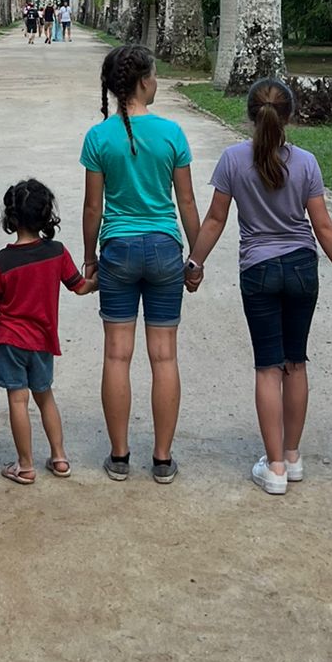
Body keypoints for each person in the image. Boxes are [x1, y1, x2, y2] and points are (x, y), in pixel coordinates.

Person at [188, 81, 332, 496]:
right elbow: (322, 225)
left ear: (251, 115)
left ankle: (273, 468)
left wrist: (195, 264)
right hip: (302, 268)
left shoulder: (234, 160)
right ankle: (292, 454)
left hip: (259, 270)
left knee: (268, 366)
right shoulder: (305, 163)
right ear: (290, 116)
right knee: (296, 363)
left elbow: (215, 219)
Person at [81, 43, 200, 483]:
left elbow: (93, 209)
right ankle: (163, 458)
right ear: (144, 81)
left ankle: (119, 455)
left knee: (117, 354)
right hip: (166, 249)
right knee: (164, 356)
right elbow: (185, 201)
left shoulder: (99, 137)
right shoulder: (171, 133)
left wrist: (90, 258)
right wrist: (196, 257)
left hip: (119, 250)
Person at [0, 178, 90, 484]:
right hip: (43, 341)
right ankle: (59, 457)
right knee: (45, 397)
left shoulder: (2, 261)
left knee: (18, 400)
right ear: (46, 216)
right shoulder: (56, 252)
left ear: (10, 218)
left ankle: (25, 465)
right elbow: (79, 287)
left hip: (11, 341)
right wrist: (98, 281)